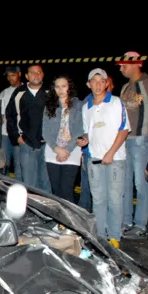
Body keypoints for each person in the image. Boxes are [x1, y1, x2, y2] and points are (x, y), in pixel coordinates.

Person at [77, 68, 130, 248]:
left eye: (102, 81)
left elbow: (124, 130)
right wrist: (83, 140)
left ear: (107, 83)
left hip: (115, 159)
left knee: (114, 198)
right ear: (88, 84)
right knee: (98, 199)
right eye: (94, 81)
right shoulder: (87, 107)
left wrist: (111, 153)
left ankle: (114, 236)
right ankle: (100, 236)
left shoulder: (116, 103)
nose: (98, 85)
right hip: (94, 159)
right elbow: (87, 131)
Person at [117, 51, 148, 239]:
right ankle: (126, 222)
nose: (121, 68)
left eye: (124, 65)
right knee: (125, 183)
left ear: (137, 64)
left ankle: (141, 225)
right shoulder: (124, 88)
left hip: (141, 140)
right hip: (125, 141)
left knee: (141, 183)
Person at [6, 64, 51, 192]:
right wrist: (17, 138)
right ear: (26, 76)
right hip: (27, 144)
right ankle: (31, 210)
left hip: (47, 145)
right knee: (29, 184)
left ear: (43, 74)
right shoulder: (19, 92)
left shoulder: (50, 92)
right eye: (32, 72)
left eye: (39, 72)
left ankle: (46, 212)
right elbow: (10, 116)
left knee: (46, 184)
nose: (36, 75)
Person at [42, 74, 84, 202]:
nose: (60, 90)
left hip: (72, 151)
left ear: (69, 87)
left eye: (64, 86)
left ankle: (68, 222)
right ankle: (57, 221)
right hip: (52, 151)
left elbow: (80, 129)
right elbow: (45, 130)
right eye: (57, 87)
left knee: (67, 190)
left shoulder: (78, 104)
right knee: (55, 191)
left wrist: (67, 150)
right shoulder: (49, 105)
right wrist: (56, 149)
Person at [0, 66, 22, 179]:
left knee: (20, 165)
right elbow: (1, 116)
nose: (10, 78)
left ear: (19, 74)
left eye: (13, 75)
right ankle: (3, 191)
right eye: (8, 76)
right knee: (4, 165)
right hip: (5, 135)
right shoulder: (4, 93)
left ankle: (19, 191)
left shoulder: (26, 90)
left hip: (20, 134)